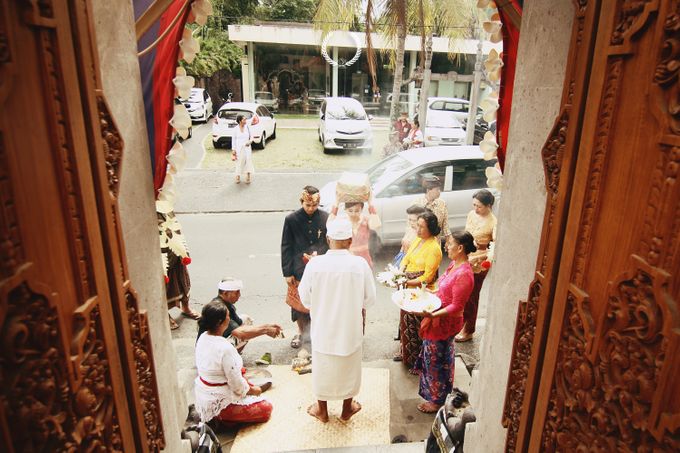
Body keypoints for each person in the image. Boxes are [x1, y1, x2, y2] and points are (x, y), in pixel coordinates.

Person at [298, 218, 376, 423]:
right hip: (350, 329)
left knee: (323, 367)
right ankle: (346, 408)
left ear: (327, 239)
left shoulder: (315, 265)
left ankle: (322, 411)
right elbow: (370, 299)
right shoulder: (359, 264)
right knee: (349, 367)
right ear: (350, 240)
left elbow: (305, 299)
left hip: (323, 329)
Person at [414, 231, 475, 413]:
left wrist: (434, 315)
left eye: (449, 244)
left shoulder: (464, 274)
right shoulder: (454, 265)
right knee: (439, 357)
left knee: (436, 361)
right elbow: (442, 288)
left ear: (460, 248)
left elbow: (457, 305)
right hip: (438, 317)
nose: (446, 247)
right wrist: (429, 294)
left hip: (445, 322)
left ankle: (437, 400)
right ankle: (439, 394)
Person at [194, 300, 273, 426]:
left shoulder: (203, 337)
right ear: (220, 322)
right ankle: (225, 419)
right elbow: (236, 385)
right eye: (227, 317)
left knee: (243, 378)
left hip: (204, 396)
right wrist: (254, 390)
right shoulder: (225, 348)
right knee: (266, 407)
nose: (229, 319)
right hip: (220, 403)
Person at [281, 186, 329, 349]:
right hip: (298, 268)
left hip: (320, 268)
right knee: (299, 306)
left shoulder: (325, 217)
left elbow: (328, 243)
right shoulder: (291, 219)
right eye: (307, 205)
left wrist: (319, 254)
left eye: (314, 206)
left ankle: (317, 333)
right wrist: (287, 272)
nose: (310, 209)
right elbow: (286, 246)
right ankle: (301, 333)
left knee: (319, 303)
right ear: (301, 202)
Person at [395, 210, 443, 370]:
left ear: (431, 228)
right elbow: (406, 258)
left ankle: (418, 363)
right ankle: (406, 355)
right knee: (405, 322)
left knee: (417, 328)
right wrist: (400, 272)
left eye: (422, 227)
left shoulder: (434, 248)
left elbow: (428, 277)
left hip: (421, 291)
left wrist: (407, 280)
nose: (418, 230)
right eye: (418, 226)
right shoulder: (417, 240)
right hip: (408, 287)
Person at [197, 278, 282, 353]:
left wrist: (267, 326)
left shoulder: (225, 304)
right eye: (237, 292)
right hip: (210, 352)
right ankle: (233, 357)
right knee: (242, 334)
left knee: (246, 320)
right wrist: (265, 330)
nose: (239, 295)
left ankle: (234, 355)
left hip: (210, 345)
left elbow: (240, 324)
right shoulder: (220, 310)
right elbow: (241, 333)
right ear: (226, 293)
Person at [456, 189, 497, 342]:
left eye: (479, 206)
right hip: (466, 257)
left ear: (488, 206)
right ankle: (461, 324)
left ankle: (469, 330)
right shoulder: (471, 214)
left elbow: (495, 249)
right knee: (461, 294)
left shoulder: (493, 222)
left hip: (479, 262)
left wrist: (478, 257)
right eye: (474, 205)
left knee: (472, 297)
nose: (475, 209)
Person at [328, 201, 381, 268]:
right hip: (348, 258)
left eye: (357, 211)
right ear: (345, 210)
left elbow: (377, 224)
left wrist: (370, 204)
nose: (353, 214)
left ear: (361, 210)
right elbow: (329, 224)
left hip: (364, 259)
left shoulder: (365, 221)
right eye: (350, 211)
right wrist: (336, 205)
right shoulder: (343, 222)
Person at [418, 176, 452, 247]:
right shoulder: (417, 204)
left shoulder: (442, 204)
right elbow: (411, 226)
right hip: (420, 244)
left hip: (436, 244)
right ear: (428, 190)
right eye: (437, 189)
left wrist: (448, 240)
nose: (439, 192)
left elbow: (445, 225)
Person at [232, 114, 254, 184]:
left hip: (247, 148)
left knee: (248, 161)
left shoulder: (247, 127)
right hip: (239, 149)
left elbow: (252, 137)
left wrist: (250, 142)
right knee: (239, 162)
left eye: (245, 119)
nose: (245, 121)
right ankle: (237, 176)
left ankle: (248, 176)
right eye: (244, 119)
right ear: (240, 121)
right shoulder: (235, 129)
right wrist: (233, 149)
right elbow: (233, 140)